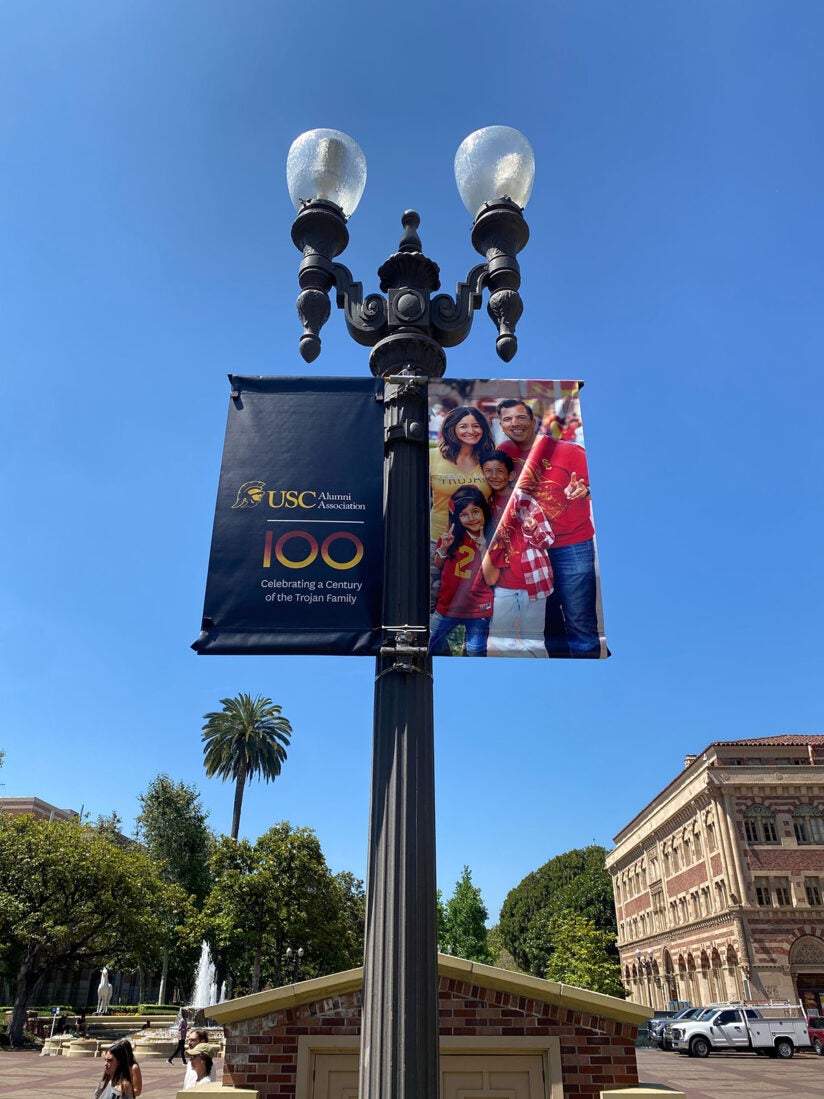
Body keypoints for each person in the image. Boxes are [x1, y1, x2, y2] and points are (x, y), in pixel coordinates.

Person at [497, 398, 601, 658]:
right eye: (507, 419)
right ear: (501, 424)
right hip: (529, 549)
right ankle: (560, 678)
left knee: (579, 619)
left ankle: (588, 679)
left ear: (533, 422)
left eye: (521, 418)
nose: (514, 424)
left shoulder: (570, 452)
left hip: (572, 544)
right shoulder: (504, 452)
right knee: (547, 622)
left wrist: (585, 490)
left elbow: (595, 484)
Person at [429, 405, 493, 609]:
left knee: (477, 604)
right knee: (433, 600)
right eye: (463, 426)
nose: (471, 431)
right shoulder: (432, 457)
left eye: (476, 425)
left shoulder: (491, 459)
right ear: (451, 428)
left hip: (479, 543)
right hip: (438, 539)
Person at [482, 487, 555, 656]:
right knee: (498, 640)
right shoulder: (486, 500)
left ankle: (537, 674)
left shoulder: (526, 501)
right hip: (503, 584)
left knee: (534, 641)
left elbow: (548, 540)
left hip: (535, 582)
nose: (495, 476)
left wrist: (532, 529)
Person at [429, 486, 495, 656]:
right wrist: (444, 548)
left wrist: (483, 550)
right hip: (448, 607)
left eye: (475, 512)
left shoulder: (494, 539)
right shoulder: (452, 536)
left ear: (484, 512)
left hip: (478, 610)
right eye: (464, 514)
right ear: (457, 518)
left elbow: (492, 579)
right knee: (428, 643)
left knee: (475, 652)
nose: (471, 518)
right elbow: (438, 564)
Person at [480, 449, 515, 529]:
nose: (494, 476)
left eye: (500, 471)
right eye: (488, 471)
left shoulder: (519, 498)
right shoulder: (488, 500)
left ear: (511, 475)